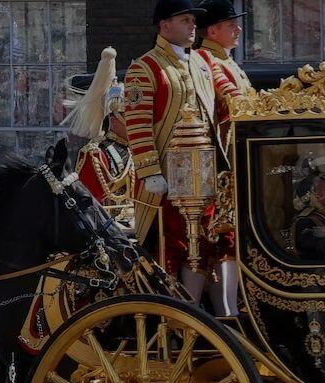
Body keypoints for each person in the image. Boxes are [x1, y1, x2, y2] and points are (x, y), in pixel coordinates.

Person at [124, 0, 239, 302]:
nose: (192, 27)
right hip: (166, 178)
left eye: (192, 21)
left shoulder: (200, 63)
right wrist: (150, 171)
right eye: (185, 20)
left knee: (204, 245)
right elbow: (138, 124)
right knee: (172, 246)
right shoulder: (144, 67)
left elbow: (217, 114)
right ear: (164, 25)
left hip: (204, 174)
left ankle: (202, 315)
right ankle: (175, 314)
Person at [194, 0, 251, 317]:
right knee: (222, 241)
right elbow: (234, 100)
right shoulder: (206, 58)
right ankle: (225, 312)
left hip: (236, 160)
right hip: (222, 164)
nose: (238, 29)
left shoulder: (225, 59)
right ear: (213, 30)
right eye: (232, 24)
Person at [64, 47, 133, 220]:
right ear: (115, 118)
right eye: (130, 117)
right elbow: (91, 206)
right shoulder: (96, 154)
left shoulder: (139, 150)